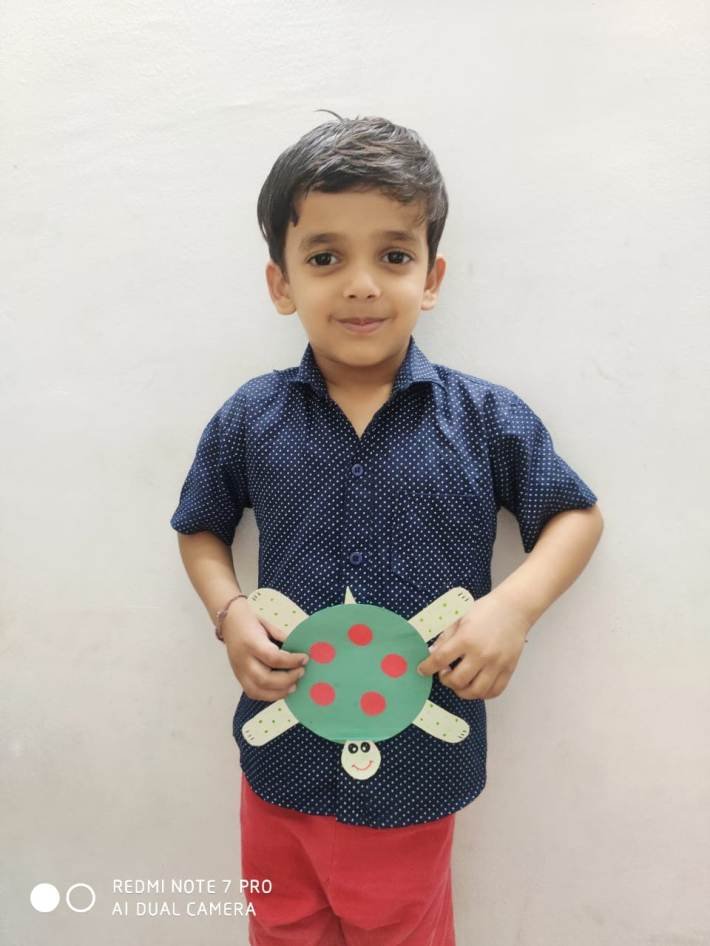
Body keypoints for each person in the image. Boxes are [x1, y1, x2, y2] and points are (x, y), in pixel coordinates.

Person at [170, 111, 604, 946]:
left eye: (393, 256)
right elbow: (200, 528)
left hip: (417, 768)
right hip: (280, 756)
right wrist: (229, 613)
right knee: (280, 925)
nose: (362, 284)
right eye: (325, 258)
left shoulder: (485, 418)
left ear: (431, 277)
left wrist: (513, 611)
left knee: (402, 929)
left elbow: (575, 517)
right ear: (281, 283)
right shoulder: (252, 417)